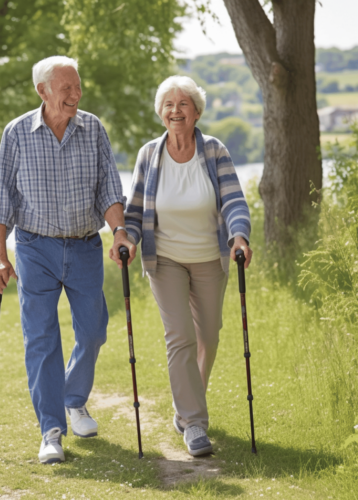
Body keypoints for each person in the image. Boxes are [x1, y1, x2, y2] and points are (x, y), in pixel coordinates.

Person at [0, 56, 136, 464]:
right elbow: (2, 198)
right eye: (66, 87)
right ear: (43, 91)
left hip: (85, 244)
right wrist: (0, 256)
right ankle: (51, 429)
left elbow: (109, 187)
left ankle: (74, 399)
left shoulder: (93, 129)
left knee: (93, 332)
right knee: (42, 339)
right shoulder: (16, 133)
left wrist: (119, 231)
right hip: (35, 248)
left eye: (77, 86)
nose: (75, 94)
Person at [119, 75, 252, 457]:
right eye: (168, 105)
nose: (175, 111)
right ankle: (194, 423)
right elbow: (135, 210)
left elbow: (233, 201)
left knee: (209, 336)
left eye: (183, 104)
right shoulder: (150, 154)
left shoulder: (213, 151)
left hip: (210, 256)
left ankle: (187, 405)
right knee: (180, 336)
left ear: (196, 112)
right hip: (166, 260)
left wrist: (239, 236)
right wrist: (125, 238)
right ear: (161, 113)